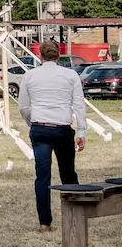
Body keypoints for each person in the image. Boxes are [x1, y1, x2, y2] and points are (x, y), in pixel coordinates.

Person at [23, 41, 88, 232]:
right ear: (58, 56)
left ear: (40, 56)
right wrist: (82, 131)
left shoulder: (30, 75)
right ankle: (76, 219)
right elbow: (78, 104)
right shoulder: (70, 75)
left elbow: (23, 107)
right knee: (68, 173)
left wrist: (31, 122)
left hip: (40, 127)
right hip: (62, 127)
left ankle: (45, 223)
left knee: (42, 176)